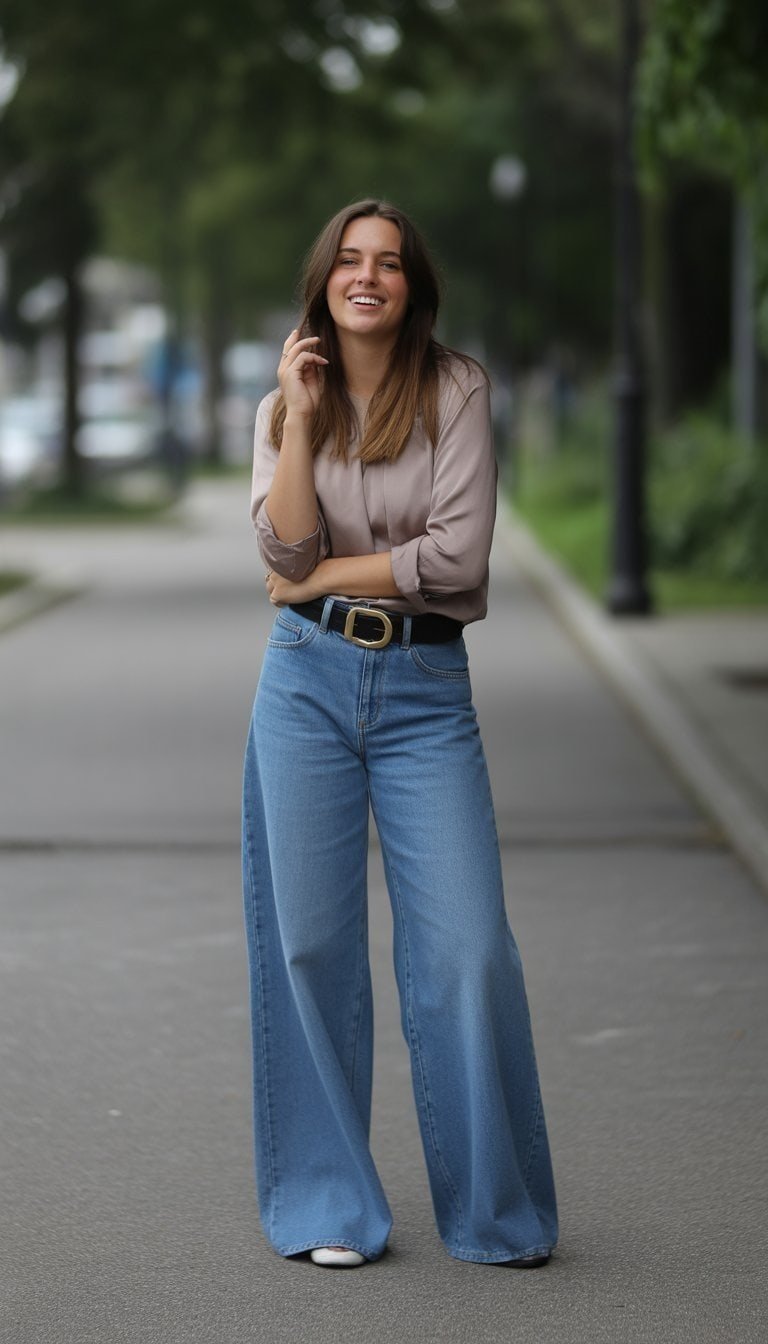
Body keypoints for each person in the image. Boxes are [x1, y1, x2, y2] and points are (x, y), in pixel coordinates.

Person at [242, 199, 558, 1270]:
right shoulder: (284, 405)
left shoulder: (456, 390)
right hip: (304, 691)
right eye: (348, 261)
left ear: (414, 286)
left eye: (388, 264)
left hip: (426, 689)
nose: (366, 277)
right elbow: (283, 549)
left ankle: (496, 1213)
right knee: (311, 946)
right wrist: (294, 413)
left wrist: (325, 574)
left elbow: (459, 557)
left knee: (468, 949)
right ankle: (328, 1203)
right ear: (323, 280)